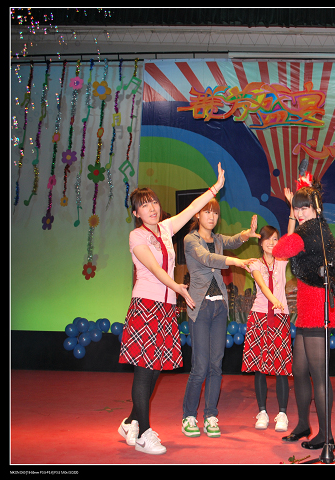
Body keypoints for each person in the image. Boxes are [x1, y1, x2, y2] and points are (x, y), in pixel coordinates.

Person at [118, 163, 226, 455]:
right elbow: (154, 269)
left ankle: (130, 422)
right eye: (144, 205)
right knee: (145, 371)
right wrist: (177, 286)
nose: (151, 208)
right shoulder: (137, 237)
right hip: (146, 306)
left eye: (153, 202)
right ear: (136, 213)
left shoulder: (166, 228)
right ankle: (144, 432)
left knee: (155, 370)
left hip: (165, 309)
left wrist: (214, 188)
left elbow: (192, 209)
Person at [272, 178, 335, 452]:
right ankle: (304, 424)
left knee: (318, 375)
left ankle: (327, 437)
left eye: (304, 208)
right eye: (296, 208)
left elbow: (279, 250)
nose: (300, 212)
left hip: (318, 311)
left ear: (316, 209)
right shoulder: (322, 232)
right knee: (300, 371)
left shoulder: (309, 233)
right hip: (307, 311)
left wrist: (293, 221)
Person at [181, 194, 258, 439]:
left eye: (215, 212)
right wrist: (235, 261)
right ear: (197, 215)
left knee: (216, 364)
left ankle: (210, 415)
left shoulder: (217, 239)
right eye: (207, 212)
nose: (212, 217)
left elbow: (232, 240)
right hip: (200, 307)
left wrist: (246, 234)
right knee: (200, 366)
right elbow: (207, 258)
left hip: (219, 308)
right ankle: (189, 416)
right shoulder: (190, 240)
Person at [241, 224, 292, 433]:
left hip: (280, 318)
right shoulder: (255, 263)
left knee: (281, 367)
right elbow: (262, 285)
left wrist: (292, 211)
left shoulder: (282, 261)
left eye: (275, 238)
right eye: (268, 238)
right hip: (260, 317)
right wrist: (273, 300)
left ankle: (282, 413)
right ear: (260, 242)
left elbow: (291, 236)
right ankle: (262, 411)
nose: (272, 242)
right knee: (259, 367)